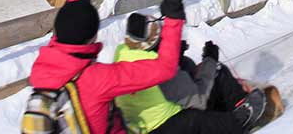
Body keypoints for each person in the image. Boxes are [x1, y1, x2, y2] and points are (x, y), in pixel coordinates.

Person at [25, 0, 194, 134]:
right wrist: (173, 11)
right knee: (200, 122)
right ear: (92, 38)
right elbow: (165, 67)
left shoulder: (45, 69)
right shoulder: (98, 80)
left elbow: (67, 33)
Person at [113, 16, 270, 132]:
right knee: (216, 72)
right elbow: (198, 100)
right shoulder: (159, 68)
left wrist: (176, 55)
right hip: (166, 125)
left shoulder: (123, 53)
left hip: (140, 123)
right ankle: (240, 117)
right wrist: (210, 60)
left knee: (187, 64)